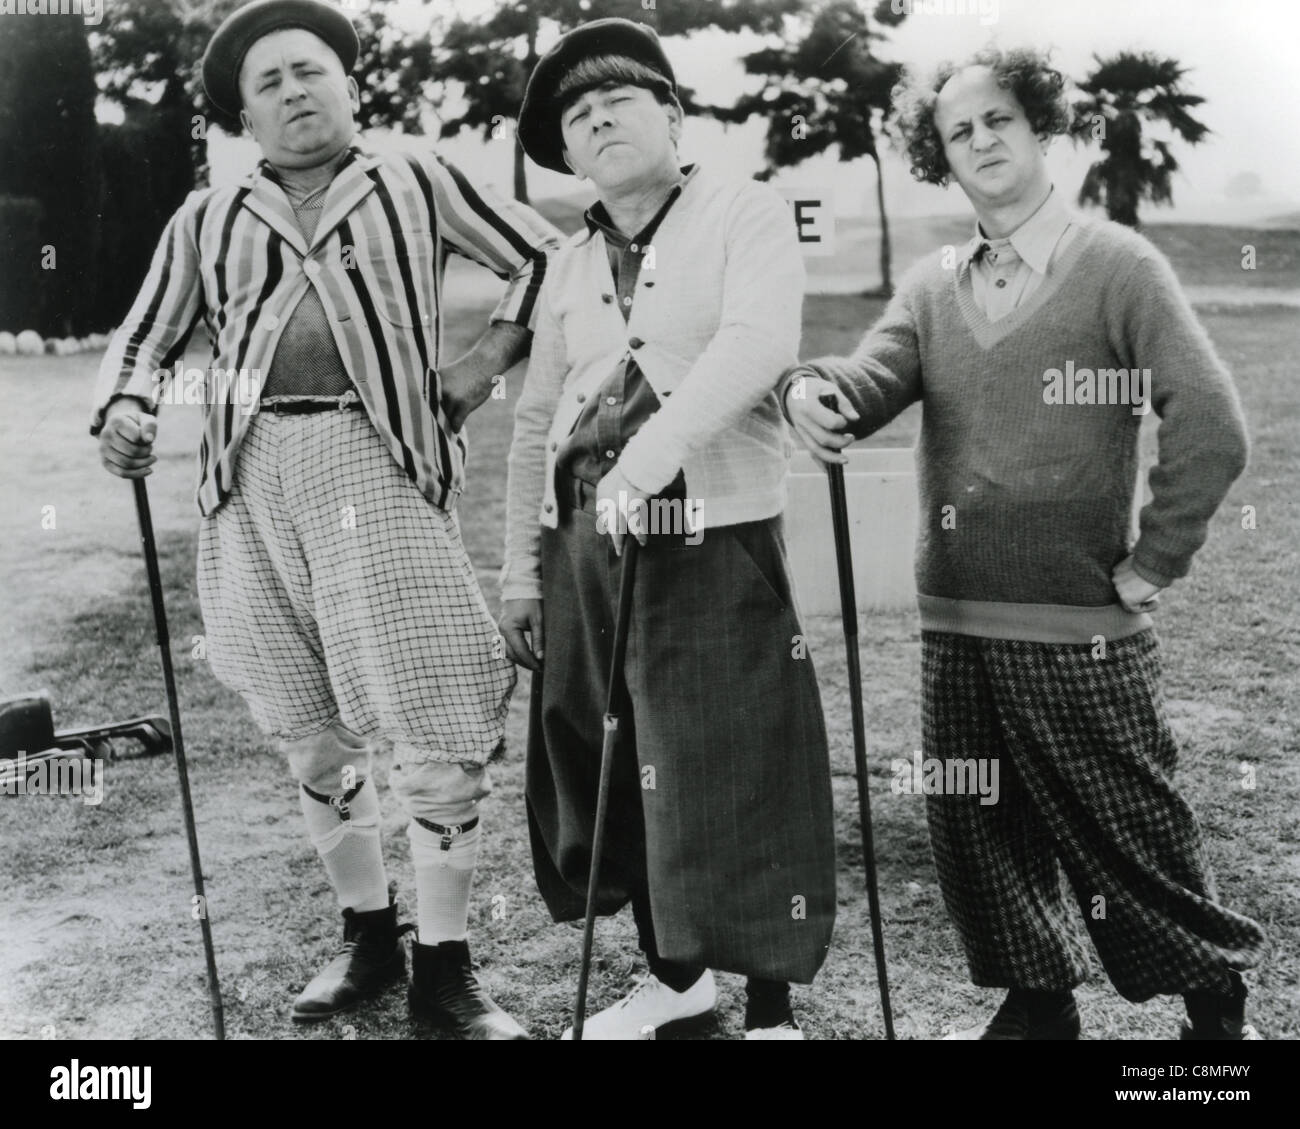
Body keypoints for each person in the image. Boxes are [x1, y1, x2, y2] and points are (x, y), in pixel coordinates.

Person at [92, 0, 559, 1040]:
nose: (296, 91)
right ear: (242, 116)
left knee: (433, 716)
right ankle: (367, 936)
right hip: (249, 478)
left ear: (349, 83)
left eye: (312, 70)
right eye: (270, 83)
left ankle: (448, 968)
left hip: (377, 463)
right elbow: (144, 340)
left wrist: (479, 369)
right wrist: (127, 409)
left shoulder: (416, 178)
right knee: (310, 734)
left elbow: (545, 258)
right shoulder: (206, 215)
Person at [784, 45, 1265, 1040]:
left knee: (1125, 823)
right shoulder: (930, 286)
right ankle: (1034, 999)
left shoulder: (1116, 267)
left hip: (1078, 620)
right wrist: (808, 389)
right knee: (975, 823)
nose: (980, 141)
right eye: (958, 131)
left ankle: (1214, 1005)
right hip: (956, 618)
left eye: (997, 119)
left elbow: (1211, 425)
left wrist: (1150, 562)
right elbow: (871, 378)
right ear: (941, 158)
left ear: (1039, 128)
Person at [500, 18, 837, 1041]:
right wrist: (519, 569)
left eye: (619, 100)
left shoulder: (746, 210)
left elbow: (755, 345)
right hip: (585, 548)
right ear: (565, 154)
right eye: (574, 115)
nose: (596, 118)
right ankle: (675, 984)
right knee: (615, 757)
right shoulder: (563, 260)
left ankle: (770, 1007)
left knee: (734, 758)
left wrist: (643, 466)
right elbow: (530, 420)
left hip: (713, 530)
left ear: (674, 117)